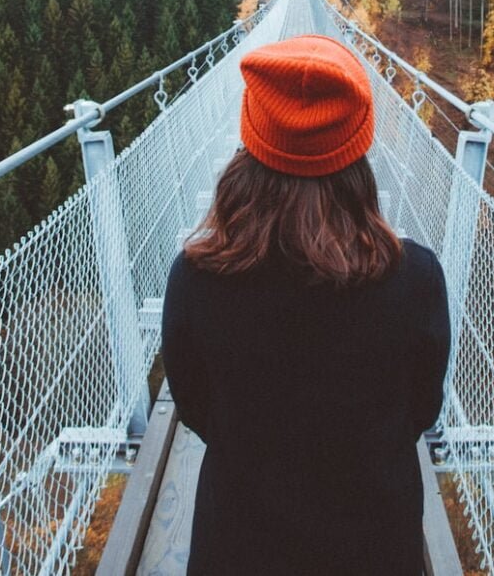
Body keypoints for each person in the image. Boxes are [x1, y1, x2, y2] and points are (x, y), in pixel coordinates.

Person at [162, 34, 451, 576]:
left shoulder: (195, 281)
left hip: (238, 549)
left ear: (250, 141)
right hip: (374, 550)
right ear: (358, 149)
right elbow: (421, 410)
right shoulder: (416, 281)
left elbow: (196, 409)